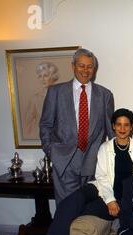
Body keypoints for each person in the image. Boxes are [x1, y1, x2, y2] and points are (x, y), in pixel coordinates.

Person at [32, 108, 133, 235]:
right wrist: (109, 200)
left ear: (132, 127)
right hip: (101, 189)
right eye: (118, 124)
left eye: (126, 124)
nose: (122, 128)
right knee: (70, 202)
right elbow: (101, 177)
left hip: (124, 199)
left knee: (75, 213)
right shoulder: (105, 147)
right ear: (113, 126)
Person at [40, 48, 115, 205]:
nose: (85, 70)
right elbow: (46, 124)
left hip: (93, 163)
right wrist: (51, 150)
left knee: (90, 208)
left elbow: (111, 131)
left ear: (94, 69)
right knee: (66, 209)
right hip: (64, 161)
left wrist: (111, 159)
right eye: (81, 65)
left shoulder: (104, 95)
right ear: (73, 66)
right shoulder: (55, 92)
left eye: (89, 67)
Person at [23, 62, 60, 140]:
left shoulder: (61, 97)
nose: (42, 79)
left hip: (59, 141)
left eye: (45, 76)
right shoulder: (35, 99)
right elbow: (26, 125)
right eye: (40, 76)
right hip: (40, 139)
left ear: (53, 77)